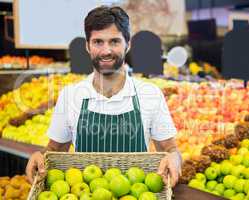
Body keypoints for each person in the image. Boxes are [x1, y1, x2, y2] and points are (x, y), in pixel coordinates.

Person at [26, 6, 182, 187]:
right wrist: (39, 156)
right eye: (98, 42)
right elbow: (54, 150)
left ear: (128, 44)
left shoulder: (150, 94)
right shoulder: (70, 96)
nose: (106, 50)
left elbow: (170, 149)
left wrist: (175, 160)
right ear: (87, 45)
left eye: (114, 41)